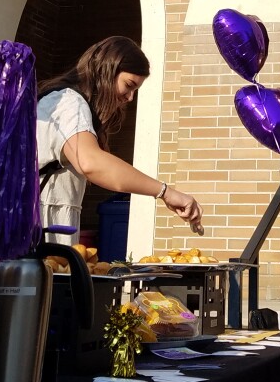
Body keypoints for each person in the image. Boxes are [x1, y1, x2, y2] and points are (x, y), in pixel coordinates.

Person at [35, 36, 203, 239]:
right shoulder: (70, 103)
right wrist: (165, 192)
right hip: (36, 238)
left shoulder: (64, 101)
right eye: (129, 85)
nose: (129, 98)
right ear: (107, 71)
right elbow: (90, 162)